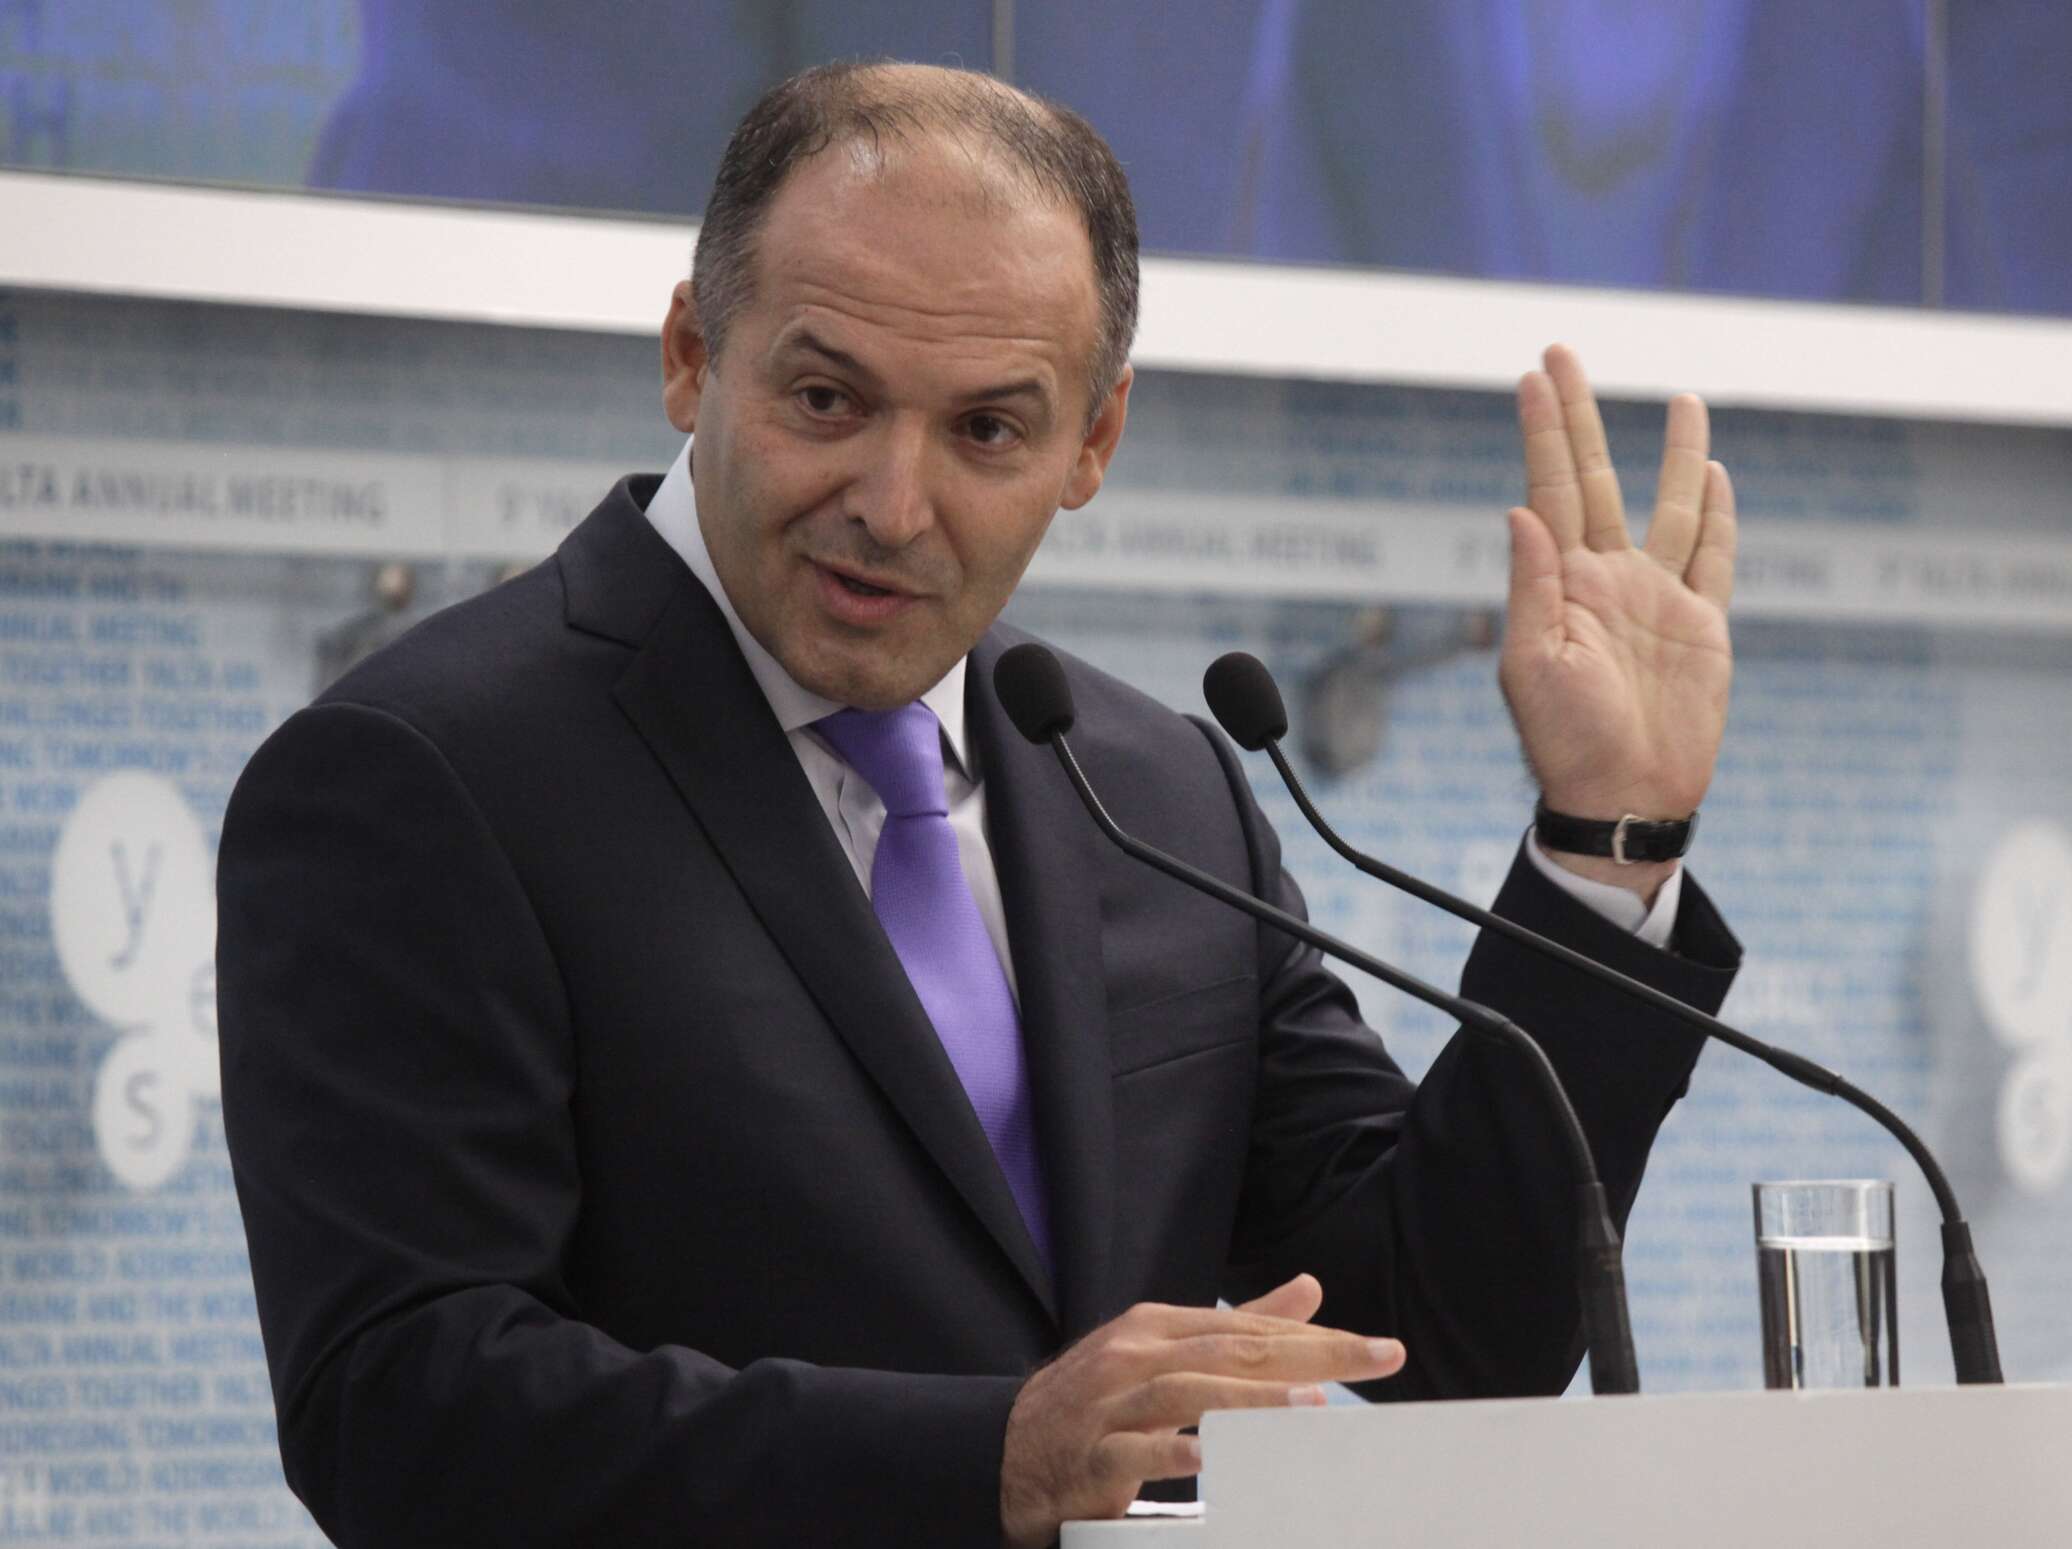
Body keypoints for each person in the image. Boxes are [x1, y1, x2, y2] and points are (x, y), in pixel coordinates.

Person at [217, 61, 1741, 1548]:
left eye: (988, 430)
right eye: (827, 398)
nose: (894, 504)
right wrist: (984, 1461)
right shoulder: (420, 773)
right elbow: (399, 1409)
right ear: (691, 354)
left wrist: (1605, 844)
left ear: (1095, 442)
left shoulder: (1155, 788)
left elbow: (1454, 1327)